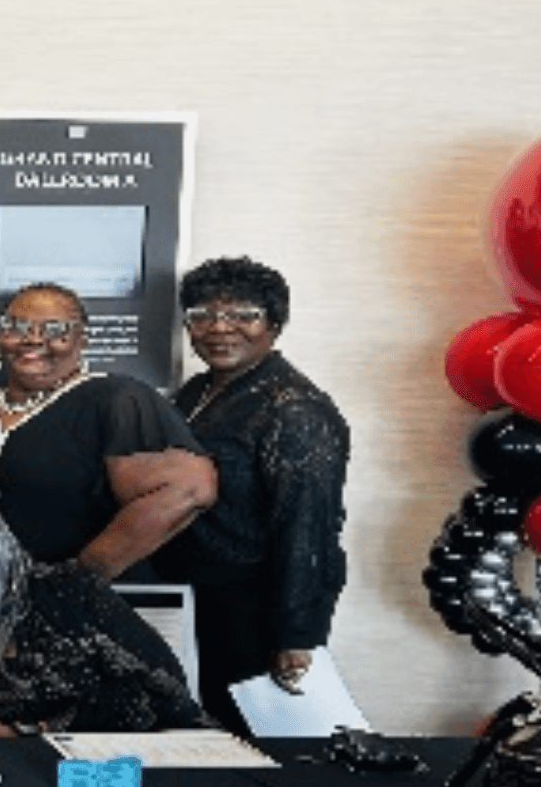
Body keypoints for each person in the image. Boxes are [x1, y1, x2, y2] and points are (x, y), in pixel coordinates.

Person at [154, 256, 350, 736]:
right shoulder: (197, 391)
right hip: (197, 599)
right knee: (195, 736)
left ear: (275, 324)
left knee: (250, 744)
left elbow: (308, 527)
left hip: (253, 611)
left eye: (244, 315)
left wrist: (297, 636)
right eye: (202, 315)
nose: (220, 328)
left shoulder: (294, 408)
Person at [0, 282, 214, 581]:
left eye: (55, 329)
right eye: (17, 326)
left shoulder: (115, 399)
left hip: (84, 605)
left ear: (81, 340)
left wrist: (81, 576)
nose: (33, 339)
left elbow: (188, 490)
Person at [0, 499, 207, 753]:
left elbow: (162, 694)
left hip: (146, 757)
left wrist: (19, 731)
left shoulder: (66, 595)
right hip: (11, 767)